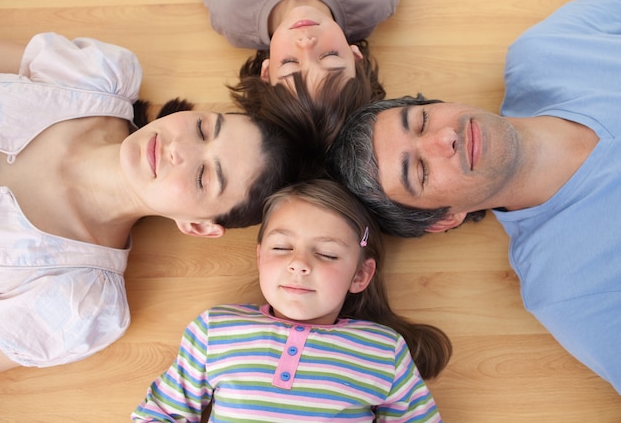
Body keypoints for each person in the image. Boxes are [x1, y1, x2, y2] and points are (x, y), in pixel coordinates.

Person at [327, 0, 621, 394]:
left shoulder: (547, 53)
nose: (444, 139)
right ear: (445, 218)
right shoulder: (570, 289)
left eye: (422, 119)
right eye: (420, 171)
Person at [0, 32, 299, 375]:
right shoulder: (95, 76)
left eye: (203, 176)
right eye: (202, 128)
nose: (178, 149)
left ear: (197, 225)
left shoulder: (79, 302)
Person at [131, 179, 451, 422]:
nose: (299, 263)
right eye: (282, 248)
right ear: (259, 258)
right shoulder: (216, 330)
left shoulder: (383, 349)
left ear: (360, 275)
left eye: (326, 253)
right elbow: (160, 413)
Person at [191, 0, 406, 154]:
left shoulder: (231, 11)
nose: (305, 44)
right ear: (357, 58)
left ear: (266, 72)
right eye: (330, 56)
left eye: (289, 63)